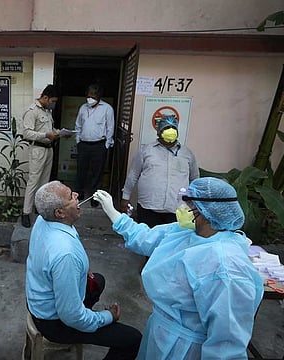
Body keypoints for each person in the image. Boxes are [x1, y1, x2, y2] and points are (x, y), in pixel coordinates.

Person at [93, 177, 264, 359]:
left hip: (187, 348)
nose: (183, 209)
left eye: (189, 205)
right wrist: (112, 212)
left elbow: (227, 340)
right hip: (161, 332)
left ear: (205, 212)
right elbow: (145, 238)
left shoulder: (226, 266)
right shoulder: (185, 232)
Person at [26, 180, 142, 359]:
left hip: (38, 300)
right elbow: (70, 316)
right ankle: (87, 323)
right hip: (54, 323)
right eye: (70, 196)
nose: (77, 196)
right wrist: (107, 317)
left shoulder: (44, 219)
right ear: (60, 212)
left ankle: (88, 319)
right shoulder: (66, 254)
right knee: (133, 339)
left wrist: (81, 269)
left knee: (98, 281)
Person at [121, 115, 199, 227]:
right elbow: (133, 175)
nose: (170, 131)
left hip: (177, 210)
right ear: (159, 131)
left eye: (173, 128)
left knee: (171, 242)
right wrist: (125, 198)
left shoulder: (187, 154)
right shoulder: (146, 151)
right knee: (147, 240)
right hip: (148, 207)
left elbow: (194, 180)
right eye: (166, 128)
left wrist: (193, 203)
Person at [20, 85, 61, 228]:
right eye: (53, 101)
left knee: (44, 182)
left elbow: (49, 129)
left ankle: (39, 209)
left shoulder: (47, 111)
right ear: (45, 98)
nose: (53, 104)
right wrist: (45, 135)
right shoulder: (32, 111)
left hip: (49, 149)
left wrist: (59, 133)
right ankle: (26, 213)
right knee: (33, 182)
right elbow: (27, 133)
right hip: (37, 149)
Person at [75, 84, 115, 207]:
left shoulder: (107, 108)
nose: (89, 98)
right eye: (88, 95)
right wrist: (78, 141)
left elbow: (110, 127)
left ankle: (94, 197)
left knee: (97, 173)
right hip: (84, 145)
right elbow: (78, 125)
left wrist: (106, 145)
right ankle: (79, 193)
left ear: (98, 96)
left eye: (92, 96)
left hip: (99, 145)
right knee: (81, 170)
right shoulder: (83, 108)